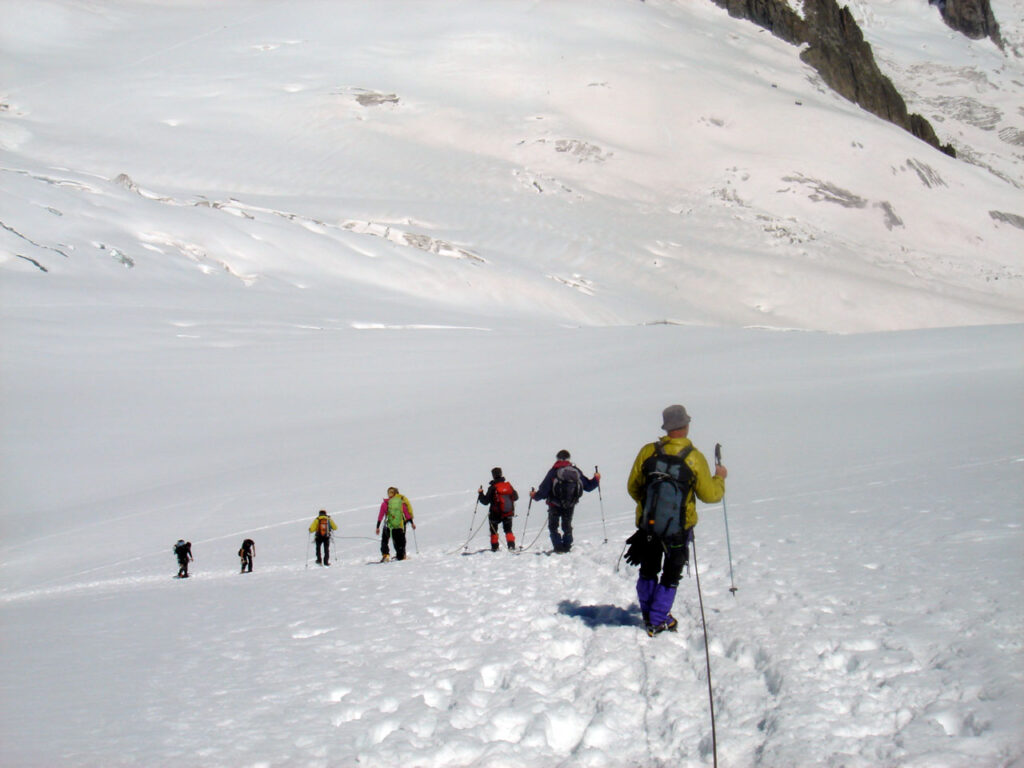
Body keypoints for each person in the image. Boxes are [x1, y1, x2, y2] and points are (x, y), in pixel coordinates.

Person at [625, 404, 727, 636]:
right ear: (686, 426)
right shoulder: (693, 458)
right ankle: (658, 618)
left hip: (648, 525)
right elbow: (710, 495)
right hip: (679, 528)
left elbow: (633, 487)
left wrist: (650, 506)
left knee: (648, 569)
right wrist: (719, 479)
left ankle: (649, 613)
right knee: (671, 573)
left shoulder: (648, 452)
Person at [530, 450, 600, 553]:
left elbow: (544, 490)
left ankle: (558, 548)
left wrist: (534, 496)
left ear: (557, 458)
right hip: (570, 504)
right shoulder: (575, 471)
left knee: (553, 526)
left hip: (554, 504)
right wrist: (596, 479)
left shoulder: (553, 471)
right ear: (568, 459)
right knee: (567, 525)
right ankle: (567, 546)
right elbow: (588, 486)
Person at [478, 467, 519, 551]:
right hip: (507, 512)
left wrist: (480, 494)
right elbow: (516, 497)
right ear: (501, 474)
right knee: (508, 530)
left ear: (493, 476)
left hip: (495, 514)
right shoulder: (508, 485)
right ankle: (511, 546)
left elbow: (485, 501)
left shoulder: (492, 488)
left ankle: (495, 547)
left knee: (494, 531)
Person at [376, 487, 415, 561]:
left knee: (384, 540)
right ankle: (401, 556)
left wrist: (377, 527)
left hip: (388, 526)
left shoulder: (385, 504)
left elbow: (380, 516)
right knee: (400, 541)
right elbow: (407, 514)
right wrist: (412, 523)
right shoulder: (400, 503)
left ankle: (385, 555)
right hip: (398, 526)